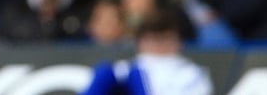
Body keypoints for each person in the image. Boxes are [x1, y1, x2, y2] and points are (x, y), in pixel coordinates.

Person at [80, 8, 214, 95]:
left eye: (164, 39)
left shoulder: (191, 75)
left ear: (178, 42)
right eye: (152, 39)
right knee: (105, 74)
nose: (158, 46)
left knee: (135, 77)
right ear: (139, 43)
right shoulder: (123, 69)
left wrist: (139, 86)